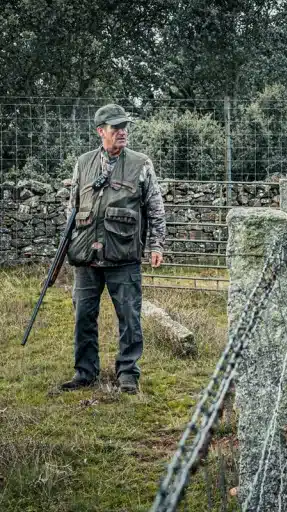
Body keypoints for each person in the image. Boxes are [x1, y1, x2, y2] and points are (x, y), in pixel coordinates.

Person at [61, 103, 166, 394]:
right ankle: (85, 373)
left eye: (125, 127)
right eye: (115, 128)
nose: (122, 132)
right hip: (86, 258)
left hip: (123, 256)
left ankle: (128, 374)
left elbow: (155, 208)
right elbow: (72, 208)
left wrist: (156, 244)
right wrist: (67, 246)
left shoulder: (141, 163)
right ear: (100, 131)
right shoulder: (83, 163)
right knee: (83, 317)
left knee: (129, 317)